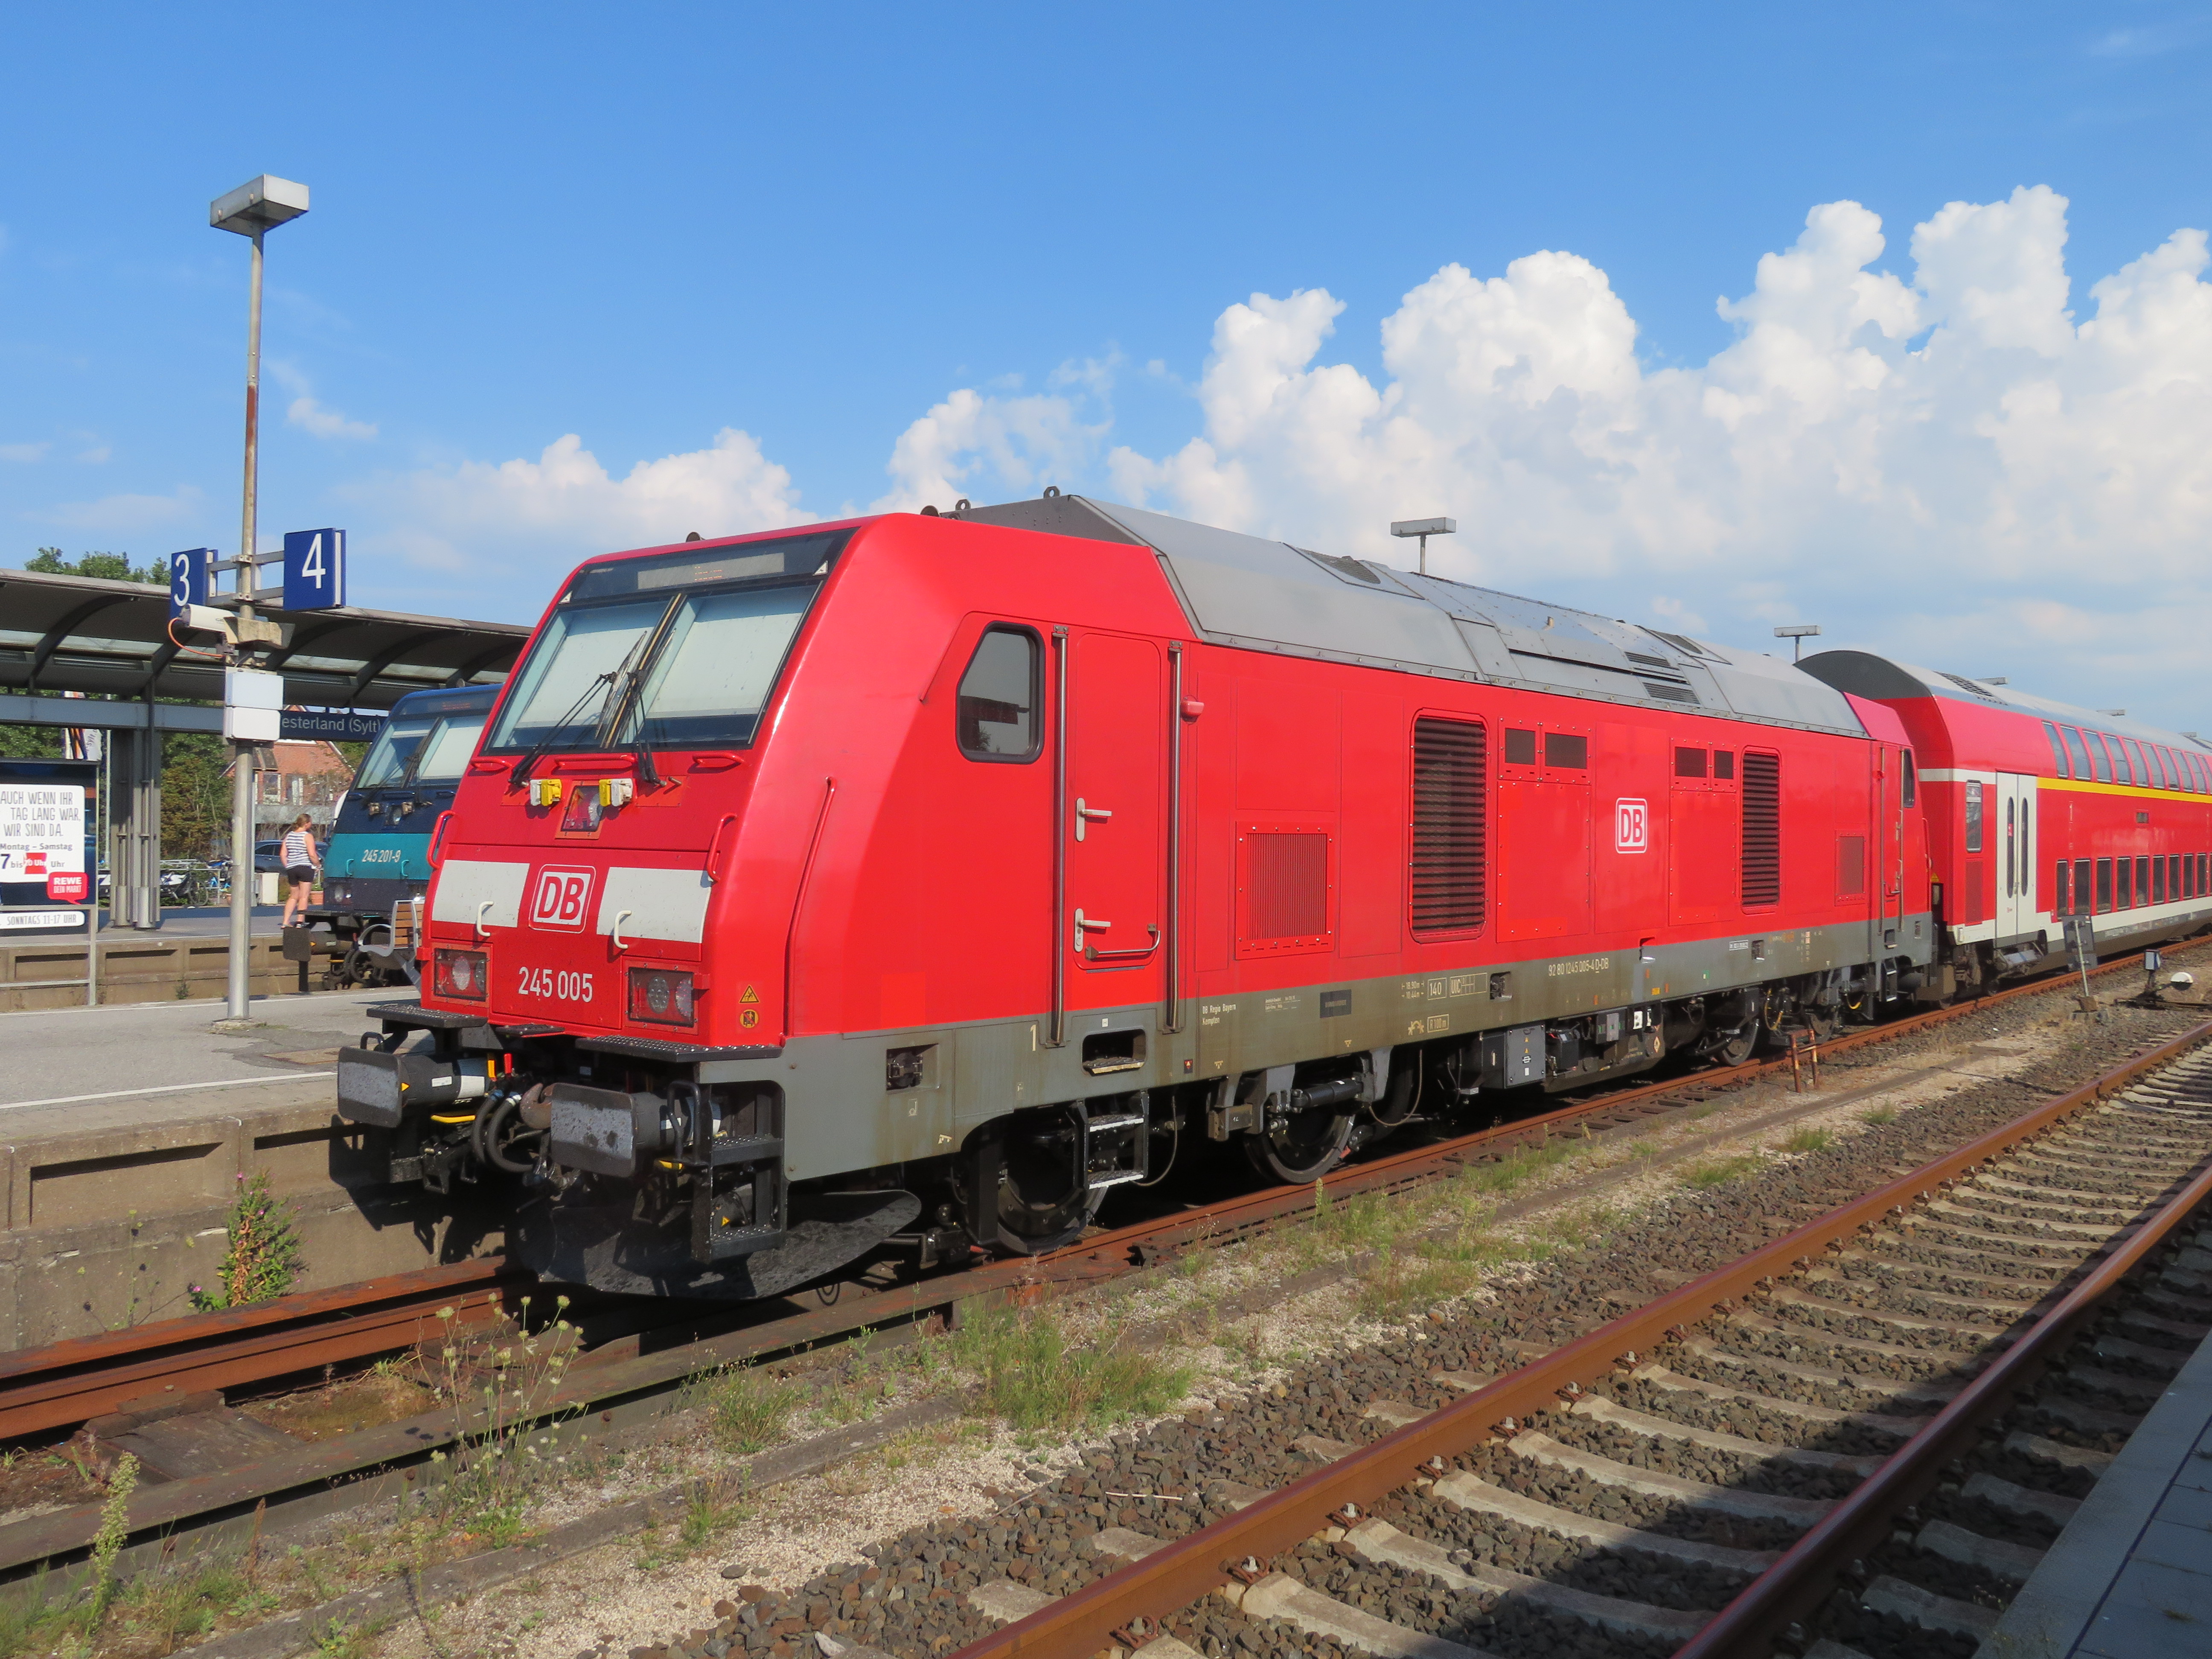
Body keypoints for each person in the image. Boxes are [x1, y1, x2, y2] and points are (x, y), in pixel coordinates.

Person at [280, 813, 320, 928]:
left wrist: (288, 866)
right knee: (304, 896)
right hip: (305, 867)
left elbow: (283, 854)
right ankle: (299, 922)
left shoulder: (289, 836)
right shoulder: (307, 836)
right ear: (306, 824)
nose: (311, 824)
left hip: (292, 868)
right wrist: (318, 865)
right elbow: (312, 854)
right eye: (310, 823)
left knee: (293, 896)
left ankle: (285, 922)